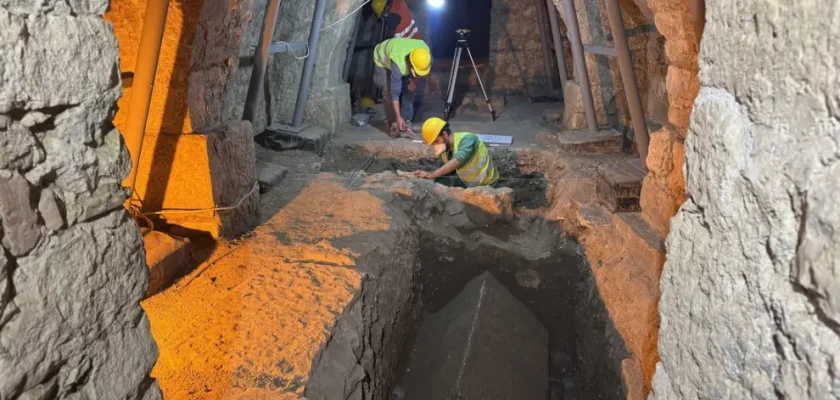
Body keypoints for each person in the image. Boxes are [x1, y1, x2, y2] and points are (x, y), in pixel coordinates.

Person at [413, 117, 499, 187]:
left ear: (445, 134)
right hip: (467, 182)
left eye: (436, 141)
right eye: (432, 143)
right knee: (437, 184)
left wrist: (432, 175)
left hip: (487, 184)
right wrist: (429, 176)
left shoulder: (468, 139)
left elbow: (458, 160)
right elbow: (446, 168)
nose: (434, 145)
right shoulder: (444, 148)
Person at [372, 37, 431, 138]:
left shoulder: (424, 54)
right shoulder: (398, 63)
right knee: (388, 91)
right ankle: (393, 124)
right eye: (415, 72)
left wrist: (414, 81)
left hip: (403, 55)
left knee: (410, 87)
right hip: (382, 58)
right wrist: (398, 116)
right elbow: (394, 93)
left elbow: (421, 71)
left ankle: (406, 120)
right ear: (410, 65)